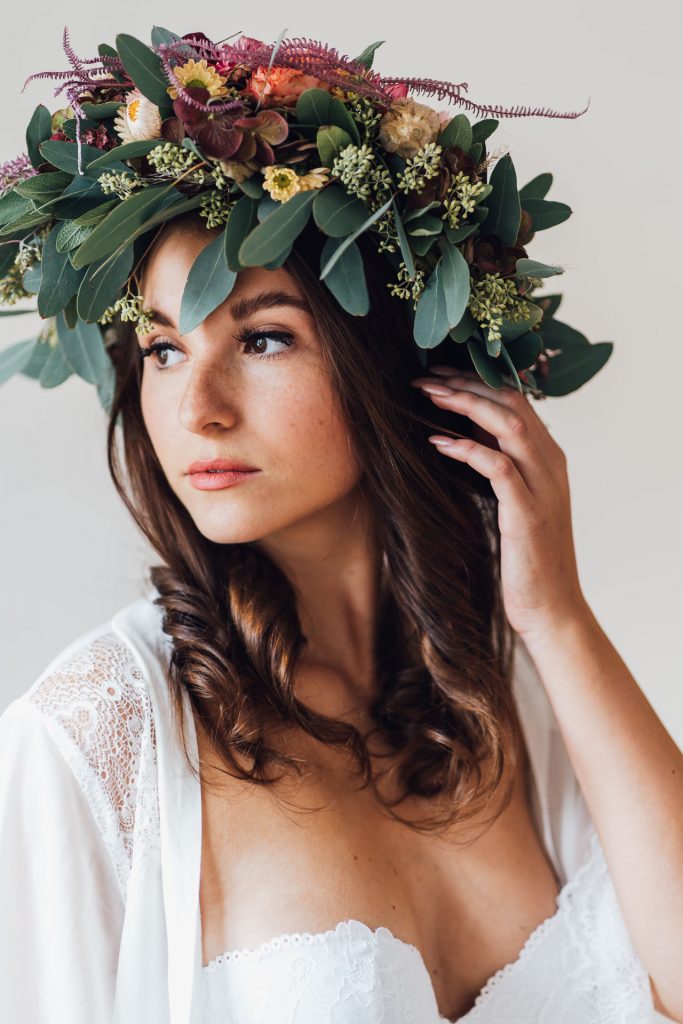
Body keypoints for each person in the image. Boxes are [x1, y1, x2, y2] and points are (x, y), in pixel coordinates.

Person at [0, 26, 680, 1024]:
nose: (198, 410)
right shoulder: (88, 742)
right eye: (160, 350)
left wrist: (559, 619)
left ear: (394, 356)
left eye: (264, 337)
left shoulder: (501, 682)